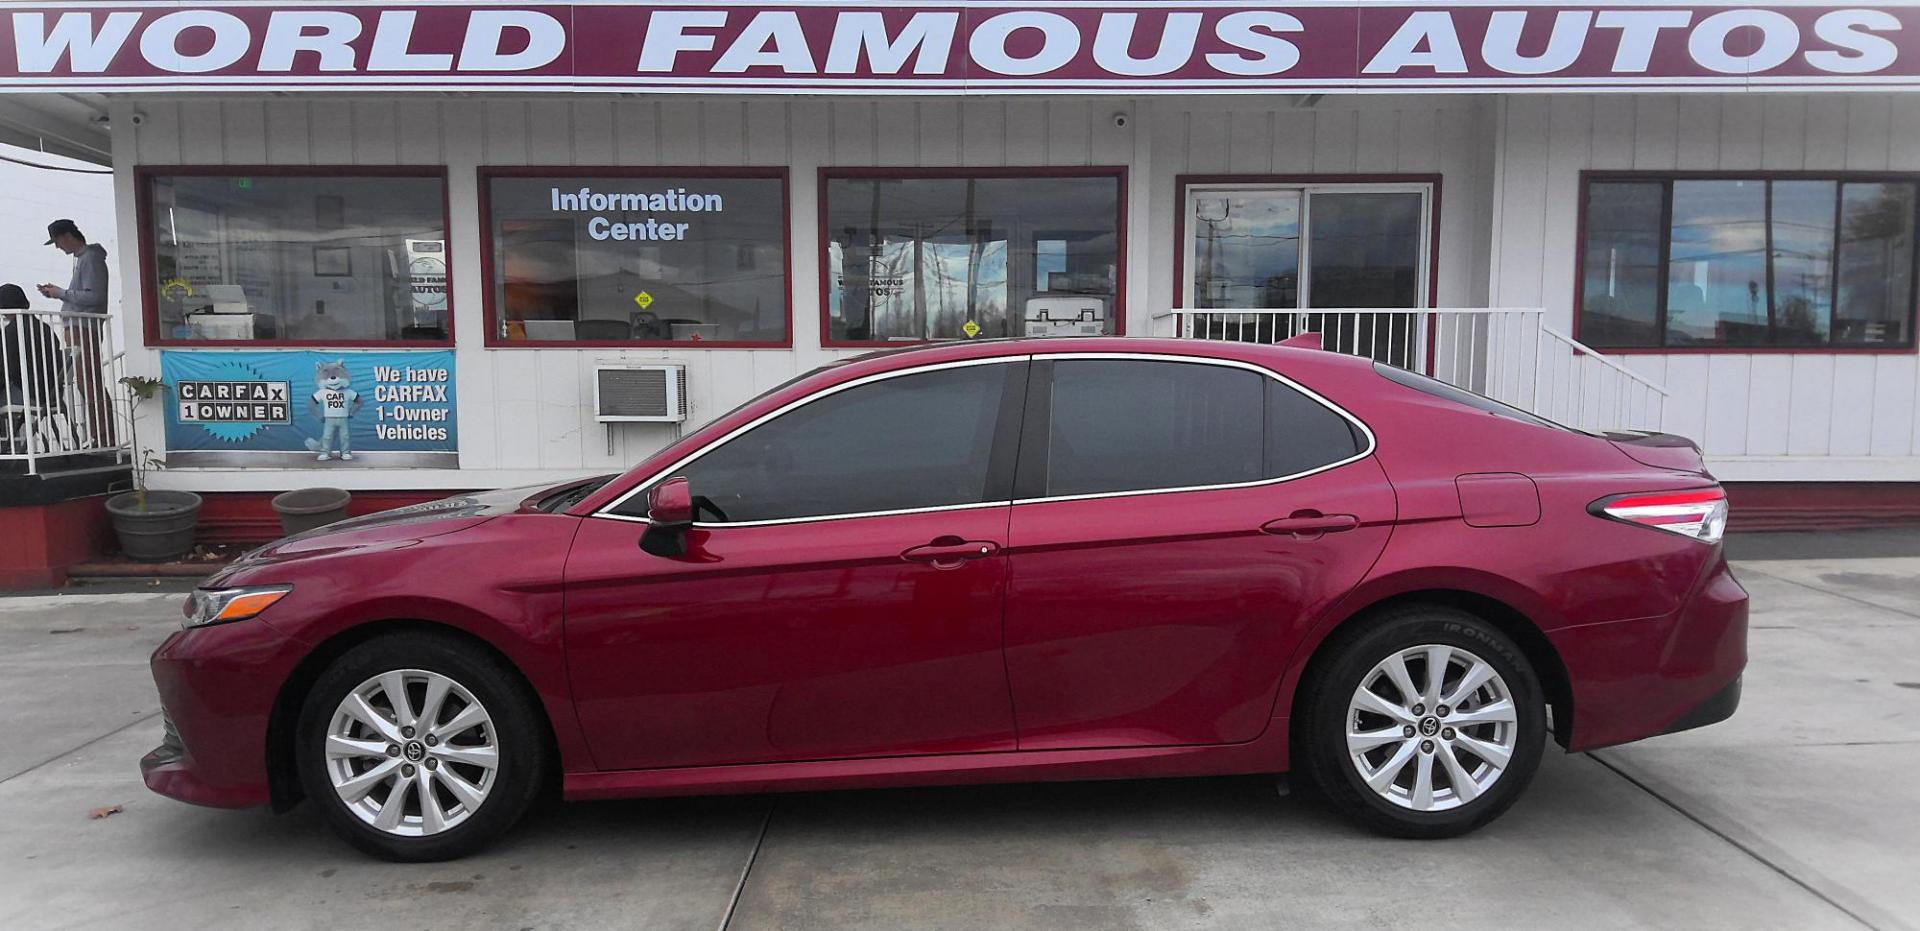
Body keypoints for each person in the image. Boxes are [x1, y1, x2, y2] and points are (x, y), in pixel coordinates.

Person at [37, 220, 112, 445]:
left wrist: (61, 293)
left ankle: (103, 436)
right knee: (85, 381)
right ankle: (99, 434)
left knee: (88, 381)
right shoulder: (84, 259)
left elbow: (94, 297)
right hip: (79, 327)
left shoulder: (90, 258)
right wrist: (60, 293)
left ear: (68, 236)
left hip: (84, 328)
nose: (59, 247)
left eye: (58, 241)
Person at [1, 284, 65, 453]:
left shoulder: (10, 332)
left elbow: (8, 370)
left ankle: (5, 448)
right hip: (54, 393)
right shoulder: (45, 328)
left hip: (29, 394)